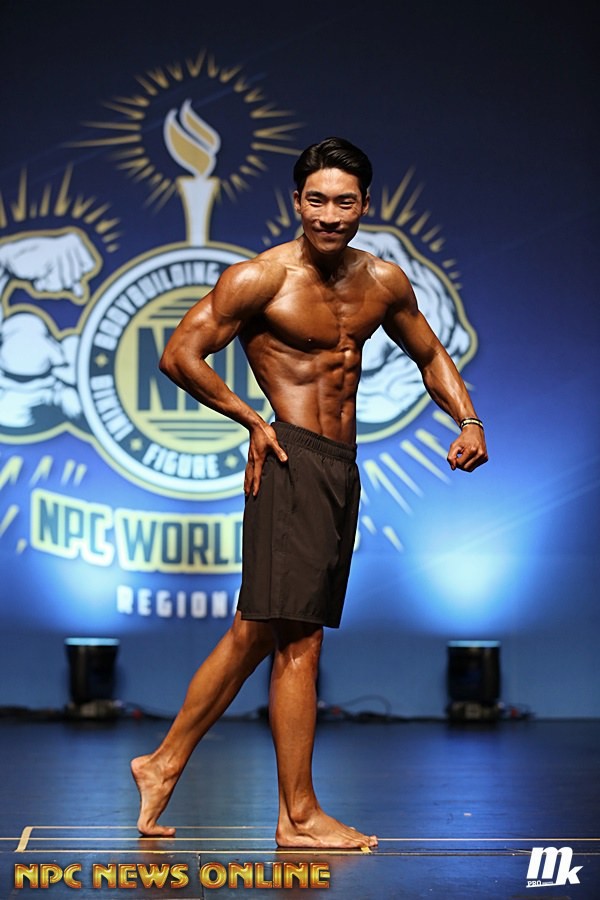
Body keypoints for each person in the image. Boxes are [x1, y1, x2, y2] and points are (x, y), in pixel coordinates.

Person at [131, 137, 488, 849]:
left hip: (338, 467)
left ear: (365, 205)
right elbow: (179, 354)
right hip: (289, 459)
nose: (329, 215)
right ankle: (297, 816)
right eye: (317, 200)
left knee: (256, 631)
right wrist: (252, 420)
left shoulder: (382, 280)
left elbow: (428, 353)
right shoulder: (259, 278)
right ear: (296, 202)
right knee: (298, 639)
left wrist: (469, 420)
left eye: (343, 202)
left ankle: (162, 763)